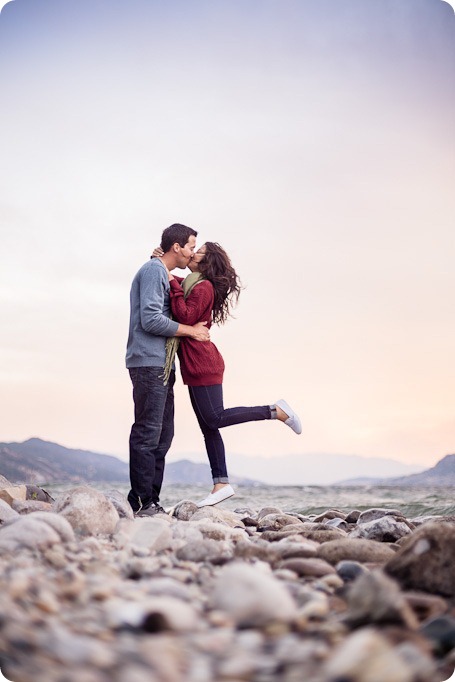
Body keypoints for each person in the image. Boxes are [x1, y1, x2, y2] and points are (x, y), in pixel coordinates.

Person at [154, 241, 302, 507]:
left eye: (198, 252)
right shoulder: (193, 283)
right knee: (209, 426)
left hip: (203, 363)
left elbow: (183, 314)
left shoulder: (204, 287)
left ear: (206, 261)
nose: (192, 253)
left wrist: (171, 281)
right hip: (196, 363)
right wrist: (162, 266)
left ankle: (275, 411)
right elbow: (177, 285)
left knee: (215, 418)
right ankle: (220, 483)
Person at [126, 223, 210, 517]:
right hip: (147, 362)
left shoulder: (159, 271)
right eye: (190, 246)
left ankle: (148, 500)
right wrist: (191, 331)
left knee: (163, 435)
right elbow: (150, 320)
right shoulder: (153, 272)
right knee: (148, 432)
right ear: (177, 247)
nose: (191, 253)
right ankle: (141, 502)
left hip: (159, 363)